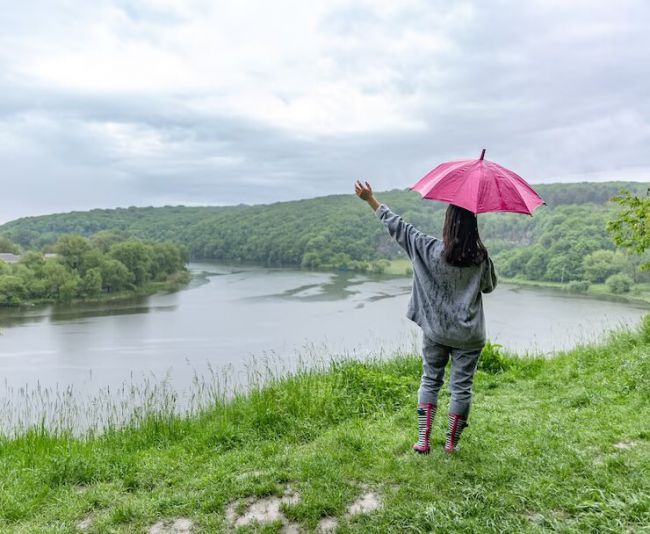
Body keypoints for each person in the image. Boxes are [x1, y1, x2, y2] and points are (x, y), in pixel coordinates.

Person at [354, 180, 497, 454]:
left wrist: (371, 200)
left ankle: (423, 440)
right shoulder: (480, 257)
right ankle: (451, 445)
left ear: (447, 223)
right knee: (461, 387)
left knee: (430, 379)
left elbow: (398, 226)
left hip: (435, 330)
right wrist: (481, 256)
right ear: (473, 227)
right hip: (469, 336)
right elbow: (489, 286)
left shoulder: (426, 248)